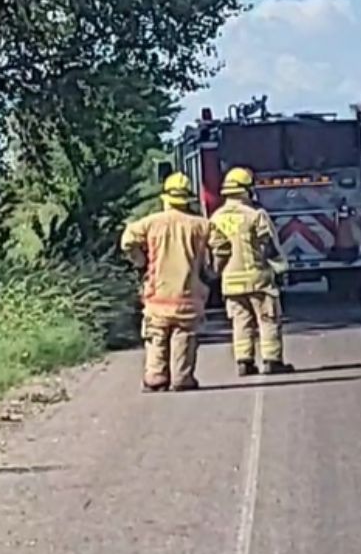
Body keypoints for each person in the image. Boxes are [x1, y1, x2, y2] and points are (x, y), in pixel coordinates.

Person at [121, 171, 211, 392]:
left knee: (157, 336)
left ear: (166, 199)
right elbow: (221, 245)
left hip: (157, 296)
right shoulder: (202, 225)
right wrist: (212, 270)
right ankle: (182, 378)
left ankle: (155, 378)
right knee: (184, 336)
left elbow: (127, 240)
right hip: (189, 297)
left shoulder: (150, 224)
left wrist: (139, 260)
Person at [209, 167, 293, 377]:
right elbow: (268, 246)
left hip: (230, 281)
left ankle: (244, 361)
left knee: (241, 322)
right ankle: (272, 360)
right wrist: (281, 269)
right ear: (247, 190)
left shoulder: (215, 218)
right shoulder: (256, 215)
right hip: (258, 279)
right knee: (268, 319)